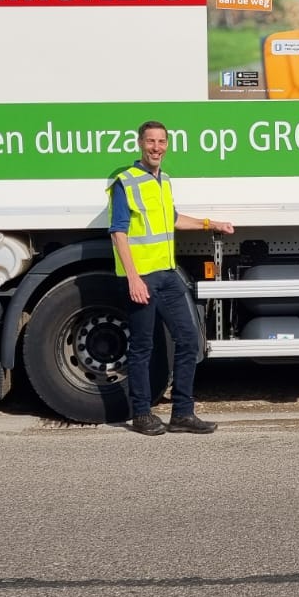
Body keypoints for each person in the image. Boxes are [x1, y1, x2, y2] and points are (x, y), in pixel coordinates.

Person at [108, 120, 236, 435]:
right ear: (140, 143)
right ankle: (141, 414)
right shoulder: (126, 182)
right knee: (142, 347)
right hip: (144, 278)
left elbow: (175, 219)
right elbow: (118, 232)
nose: (156, 147)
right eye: (151, 141)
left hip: (167, 274)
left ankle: (182, 413)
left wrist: (211, 223)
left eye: (161, 141)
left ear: (167, 145)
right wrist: (133, 279)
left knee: (190, 339)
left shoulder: (163, 181)